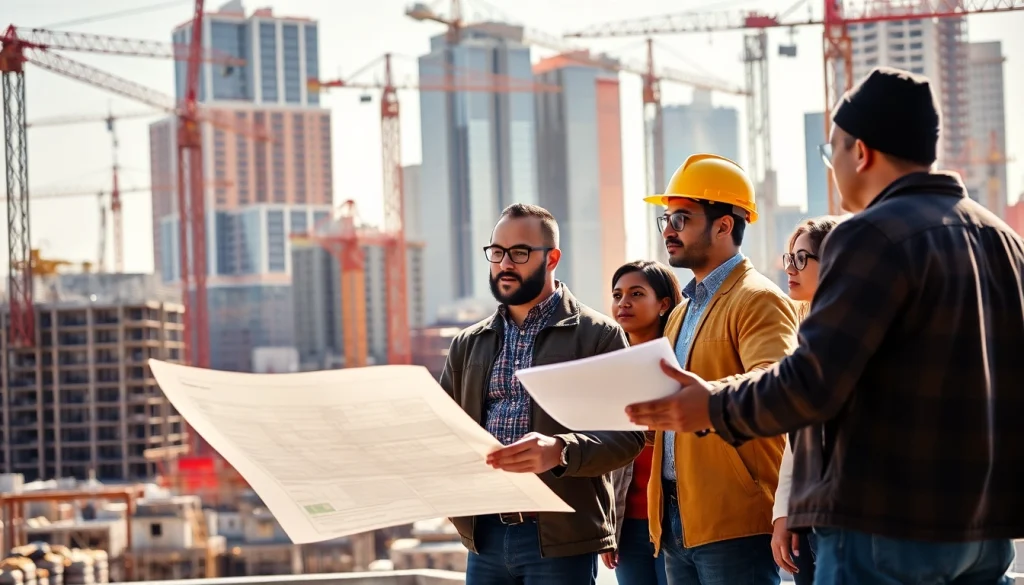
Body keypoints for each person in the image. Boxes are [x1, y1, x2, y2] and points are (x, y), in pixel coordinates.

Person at [627, 66, 1024, 584]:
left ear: (860, 152)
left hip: (882, 528)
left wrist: (711, 404)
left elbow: (812, 381)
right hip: (984, 529)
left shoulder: (870, 237)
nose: (833, 166)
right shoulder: (1001, 240)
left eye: (829, 152)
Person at [440, 203, 647, 584]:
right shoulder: (467, 344)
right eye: (497, 252)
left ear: (552, 258)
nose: (505, 263)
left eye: (520, 253)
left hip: (559, 539)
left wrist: (561, 451)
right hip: (484, 537)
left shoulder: (598, 335)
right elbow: (443, 433)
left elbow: (629, 437)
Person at [641, 153, 802, 584]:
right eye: (666, 219)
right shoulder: (680, 312)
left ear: (724, 225)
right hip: (677, 518)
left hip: (734, 517)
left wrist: (710, 398)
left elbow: (777, 383)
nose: (669, 231)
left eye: (682, 218)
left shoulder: (758, 299)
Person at [770, 216, 841, 584]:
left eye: (802, 259)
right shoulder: (804, 336)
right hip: (807, 516)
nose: (790, 268)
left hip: (843, 520)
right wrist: (784, 511)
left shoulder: (849, 336)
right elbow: (797, 437)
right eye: (788, 258)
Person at [605, 261, 682, 585]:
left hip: (675, 521)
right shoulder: (609, 366)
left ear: (663, 303)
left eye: (636, 294)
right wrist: (609, 525)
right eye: (618, 294)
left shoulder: (682, 363)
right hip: (628, 524)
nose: (624, 302)